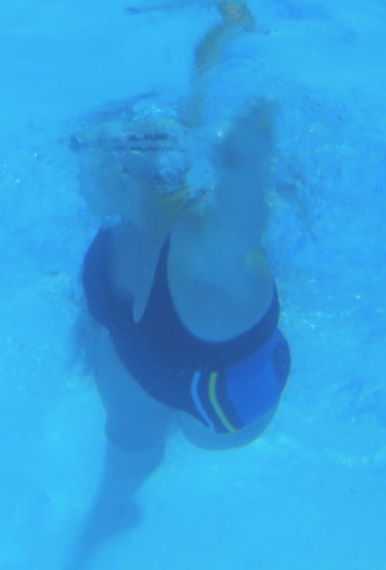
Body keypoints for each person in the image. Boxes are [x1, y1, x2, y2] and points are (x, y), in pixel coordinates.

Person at [67, 2, 291, 568]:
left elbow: (239, 221)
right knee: (127, 453)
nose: (82, 159)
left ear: (125, 170)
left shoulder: (198, 245)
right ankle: (103, 525)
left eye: (92, 153)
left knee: (209, 437)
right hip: (138, 354)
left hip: (220, 394)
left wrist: (248, 155)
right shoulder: (115, 229)